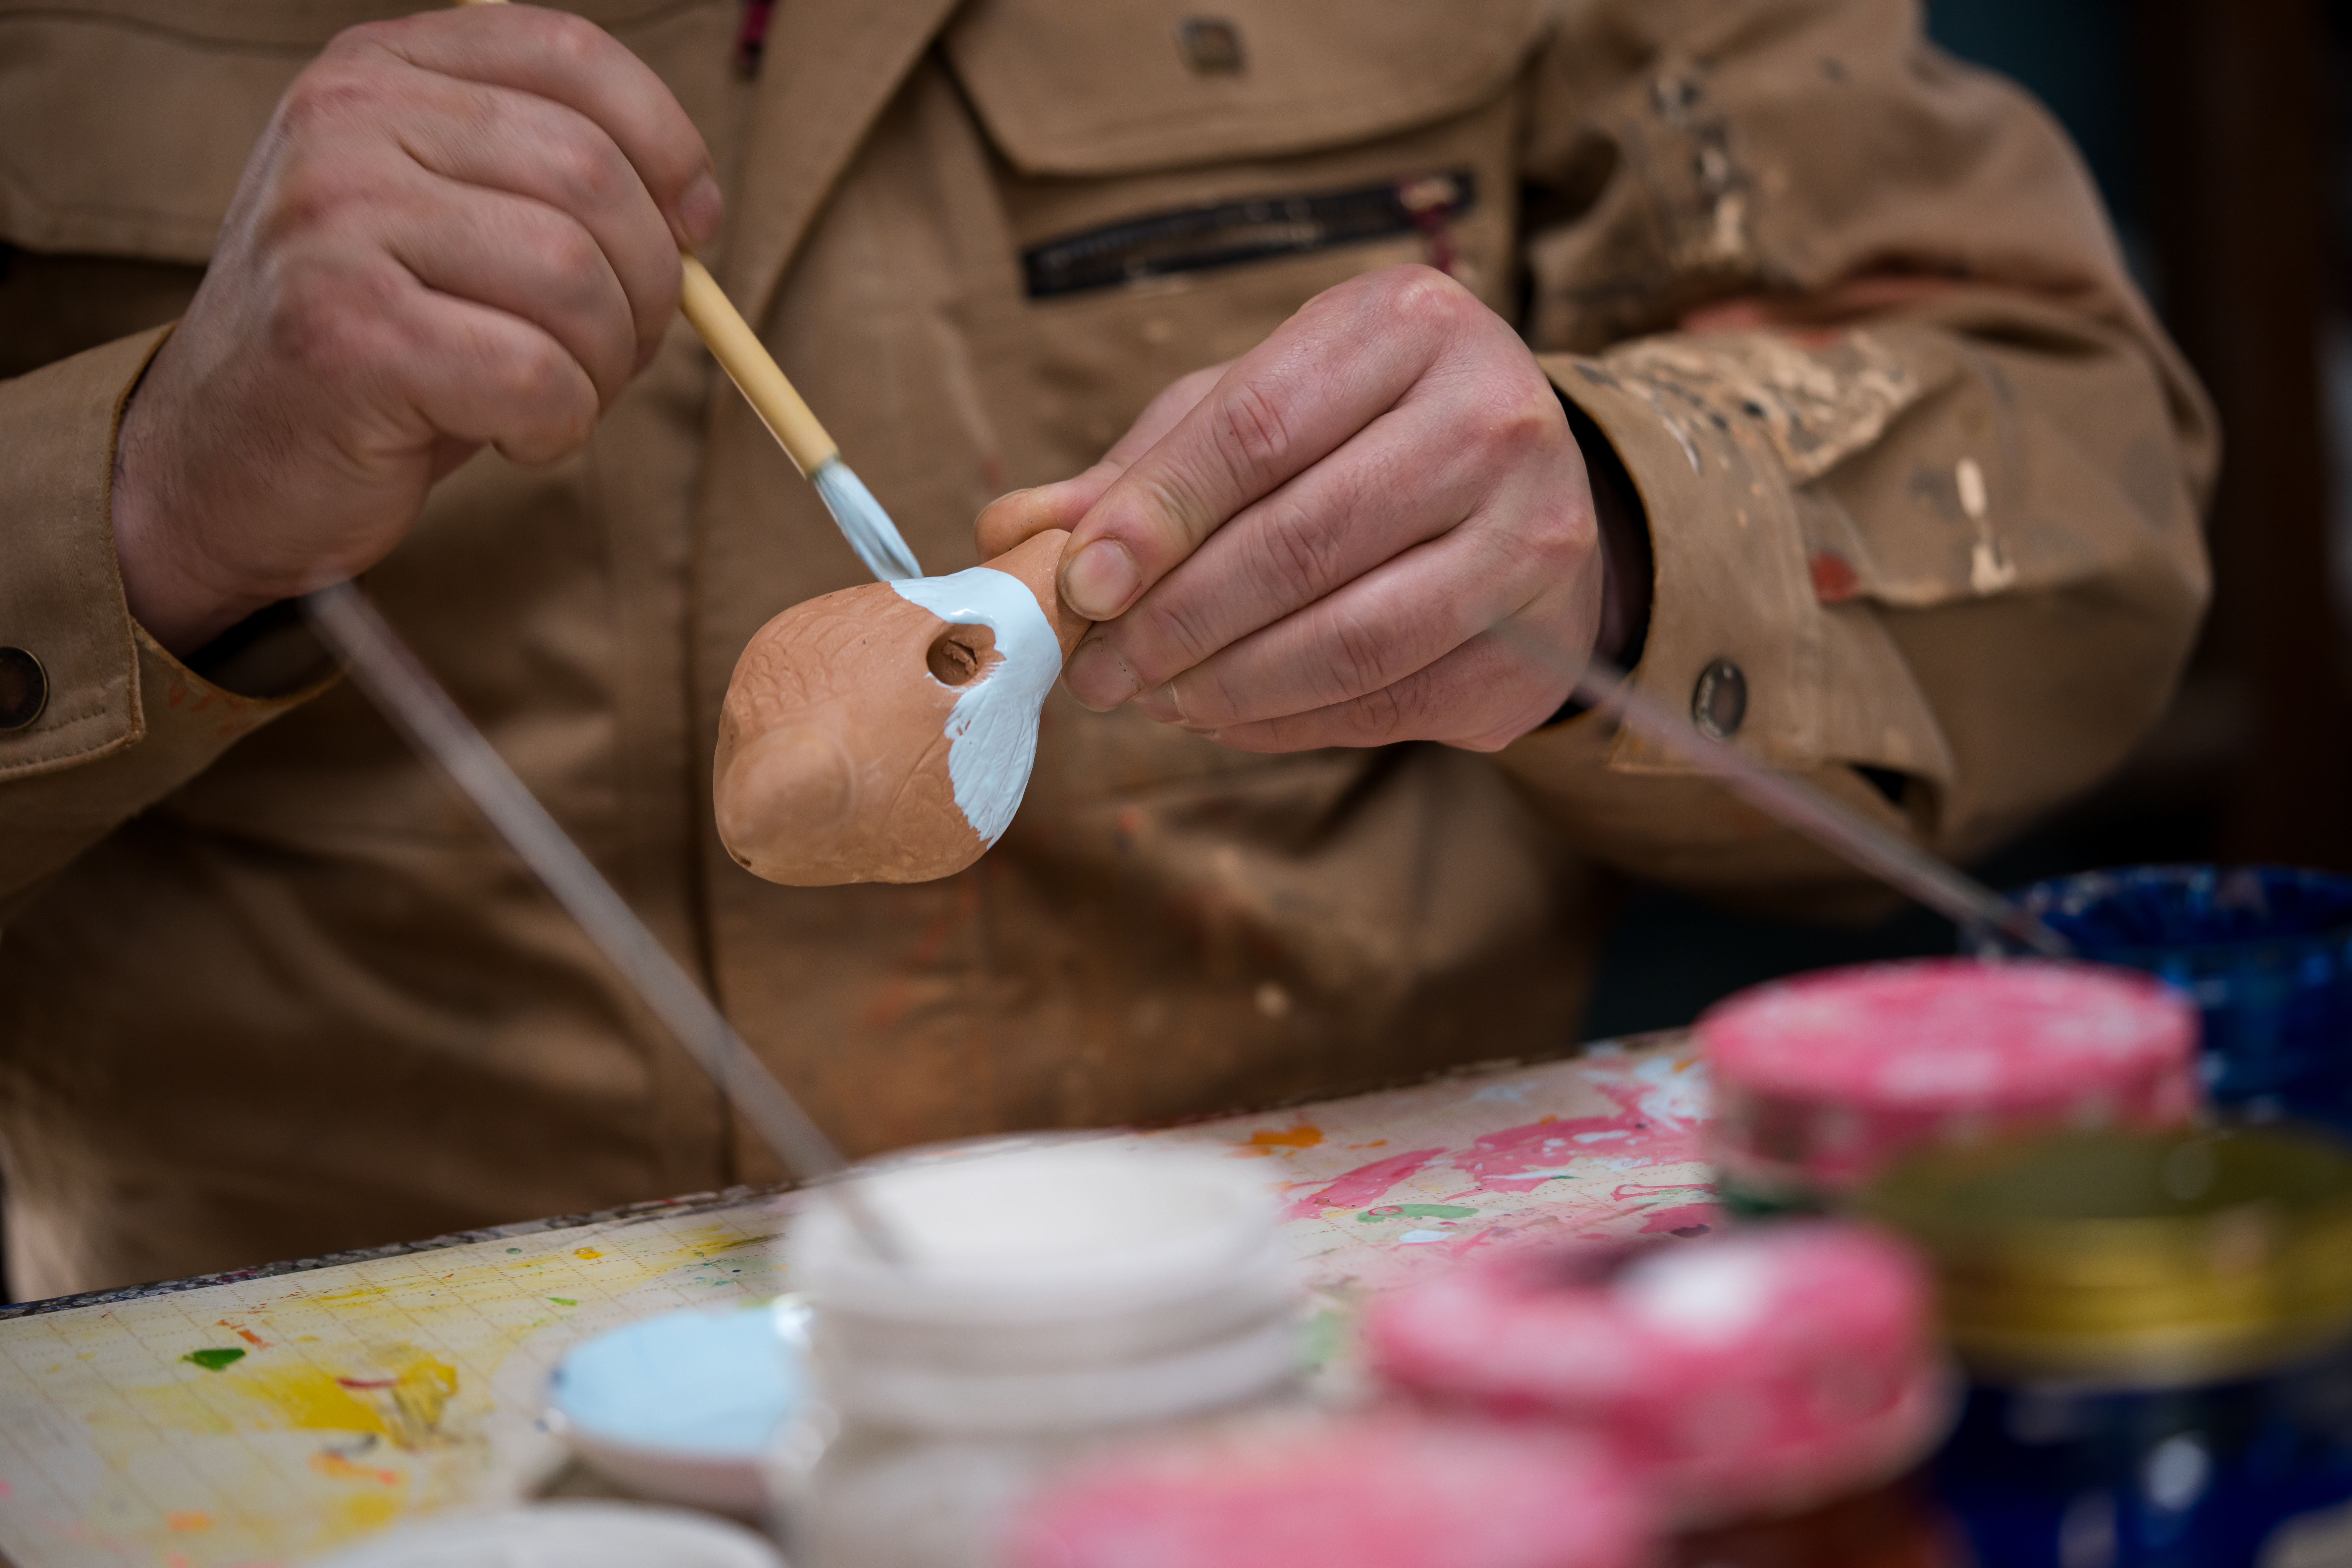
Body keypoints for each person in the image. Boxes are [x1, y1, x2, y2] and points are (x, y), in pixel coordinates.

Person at [0, 0, 2211, 1300]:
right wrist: (143, 501)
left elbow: (2089, 475)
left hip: (1310, 1367)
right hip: (317, 1414)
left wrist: (1629, 523)